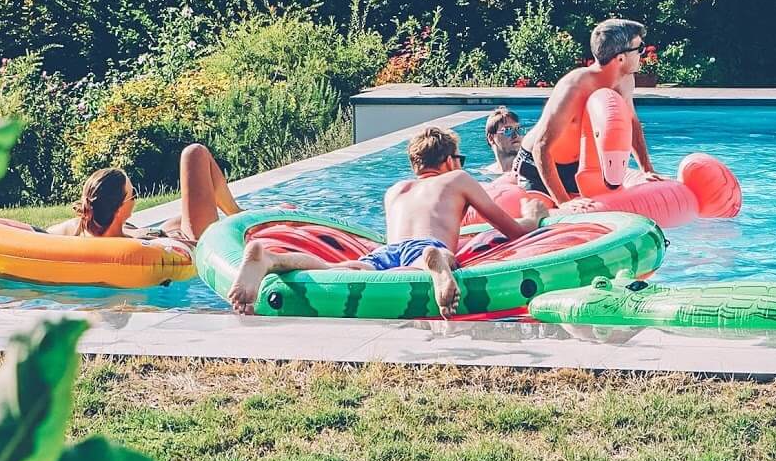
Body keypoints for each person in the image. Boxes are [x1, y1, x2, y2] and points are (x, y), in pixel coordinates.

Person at [226, 125, 544, 318]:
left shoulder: (395, 191)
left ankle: (269, 258)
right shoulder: (457, 179)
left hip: (384, 254)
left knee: (341, 270)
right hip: (426, 249)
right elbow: (512, 231)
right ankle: (436, 265)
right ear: (449, 160)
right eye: (458, 159)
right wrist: (533, 217)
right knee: (438, 255)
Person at [0, 143, 244, 253]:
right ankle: (238, 215)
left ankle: (233, 216)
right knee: (194, 154)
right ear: (123, 208)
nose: (136, 198)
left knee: (174, 221)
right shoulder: (133, 247)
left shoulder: (73, 230)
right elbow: (174, 250)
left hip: (160, 232)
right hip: (192, 240)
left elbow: (15, 229)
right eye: (134, 194)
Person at [510, 18, 657, 201]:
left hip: (577, 168)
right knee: (547, 220)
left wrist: (647, 170)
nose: (642, 54)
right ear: (620, 58)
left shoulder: (625, 81)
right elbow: (542, 146)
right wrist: (563, 203)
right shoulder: (574, 87)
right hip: (538, 166)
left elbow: (632, 123)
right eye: (639, 49)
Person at [482, 106, 523, 174]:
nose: (516, 135)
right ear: (491, 138)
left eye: (518, 129)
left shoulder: (535, 172)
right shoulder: (486, 173)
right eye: (507, 130)